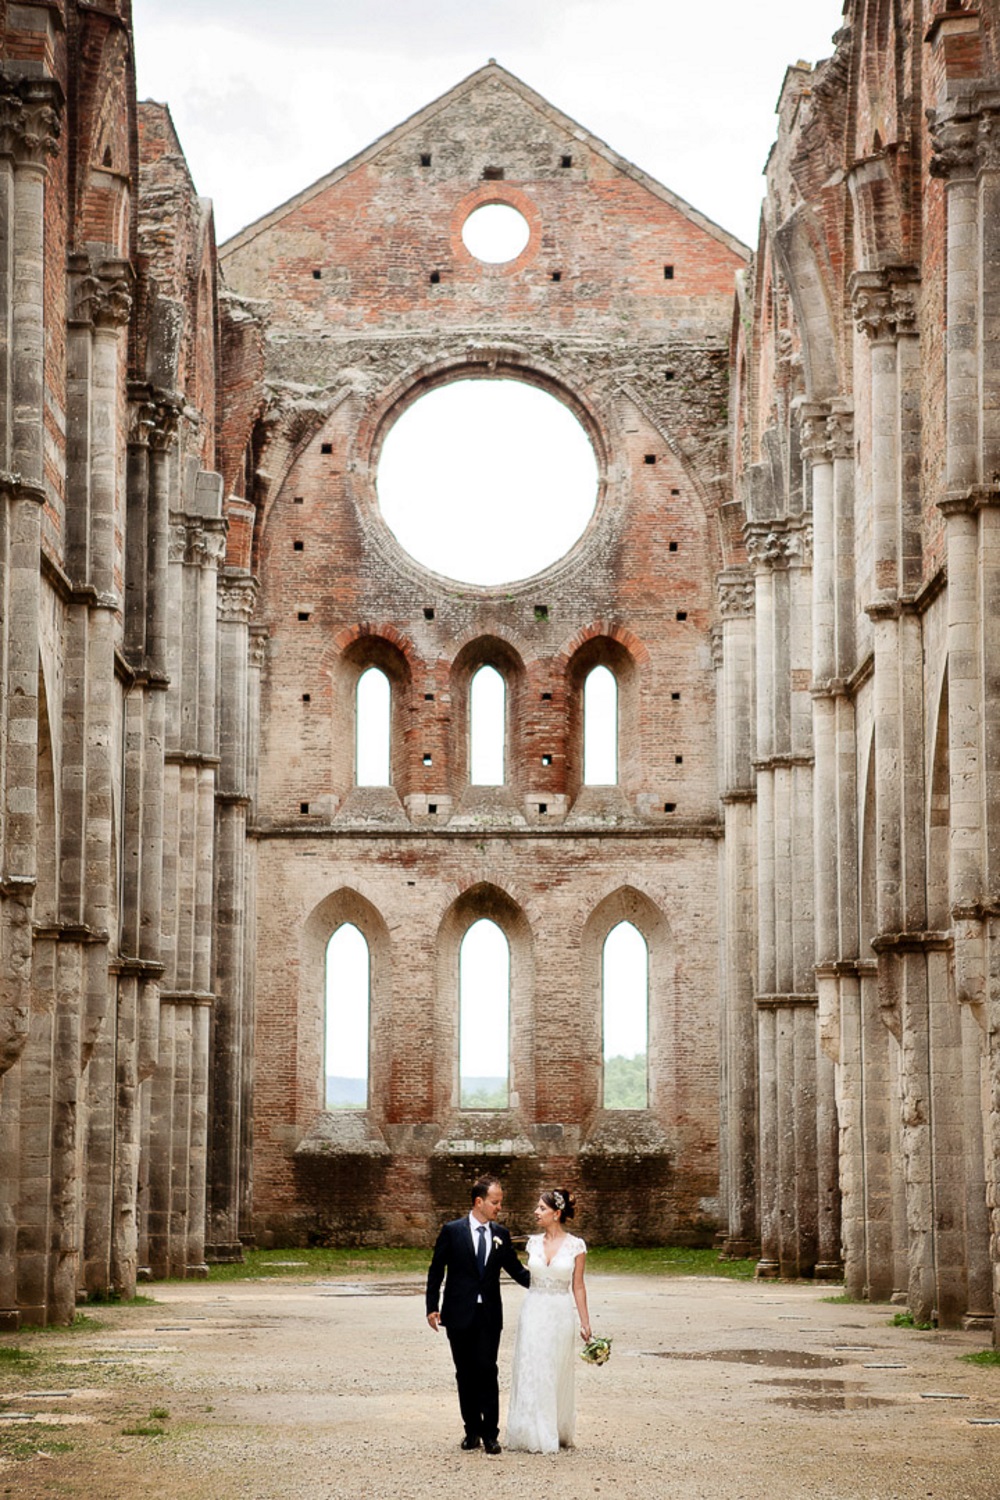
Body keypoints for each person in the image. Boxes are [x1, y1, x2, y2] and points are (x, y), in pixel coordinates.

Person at [425, 1175, 531, 1455]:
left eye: (500, 1203)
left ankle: (490, 1434)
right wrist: (431, 1307)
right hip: (458, 1314)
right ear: (479, 1201)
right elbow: (437, 1270)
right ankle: (471, 1430)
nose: (499, 1208)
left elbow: (517, 1271)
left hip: (489, 1316)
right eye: (495, 1202)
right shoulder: (452, 1231)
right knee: (465, 1374)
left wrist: (547, 1283)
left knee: (488, 1370)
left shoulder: (502, 1235)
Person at [505, 1187, 591, 1453]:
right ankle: (531, 1431)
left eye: (542, 1208)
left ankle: (555, 1427)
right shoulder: (532, 1243)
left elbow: (578, 1286)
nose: (536, 1212)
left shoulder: (576, 1246)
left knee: (555, 1368)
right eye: (537, 1208)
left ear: (557, 1213)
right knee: (532, 1366)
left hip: (560, 1312)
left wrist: (586, 1323)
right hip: (534, 1309)